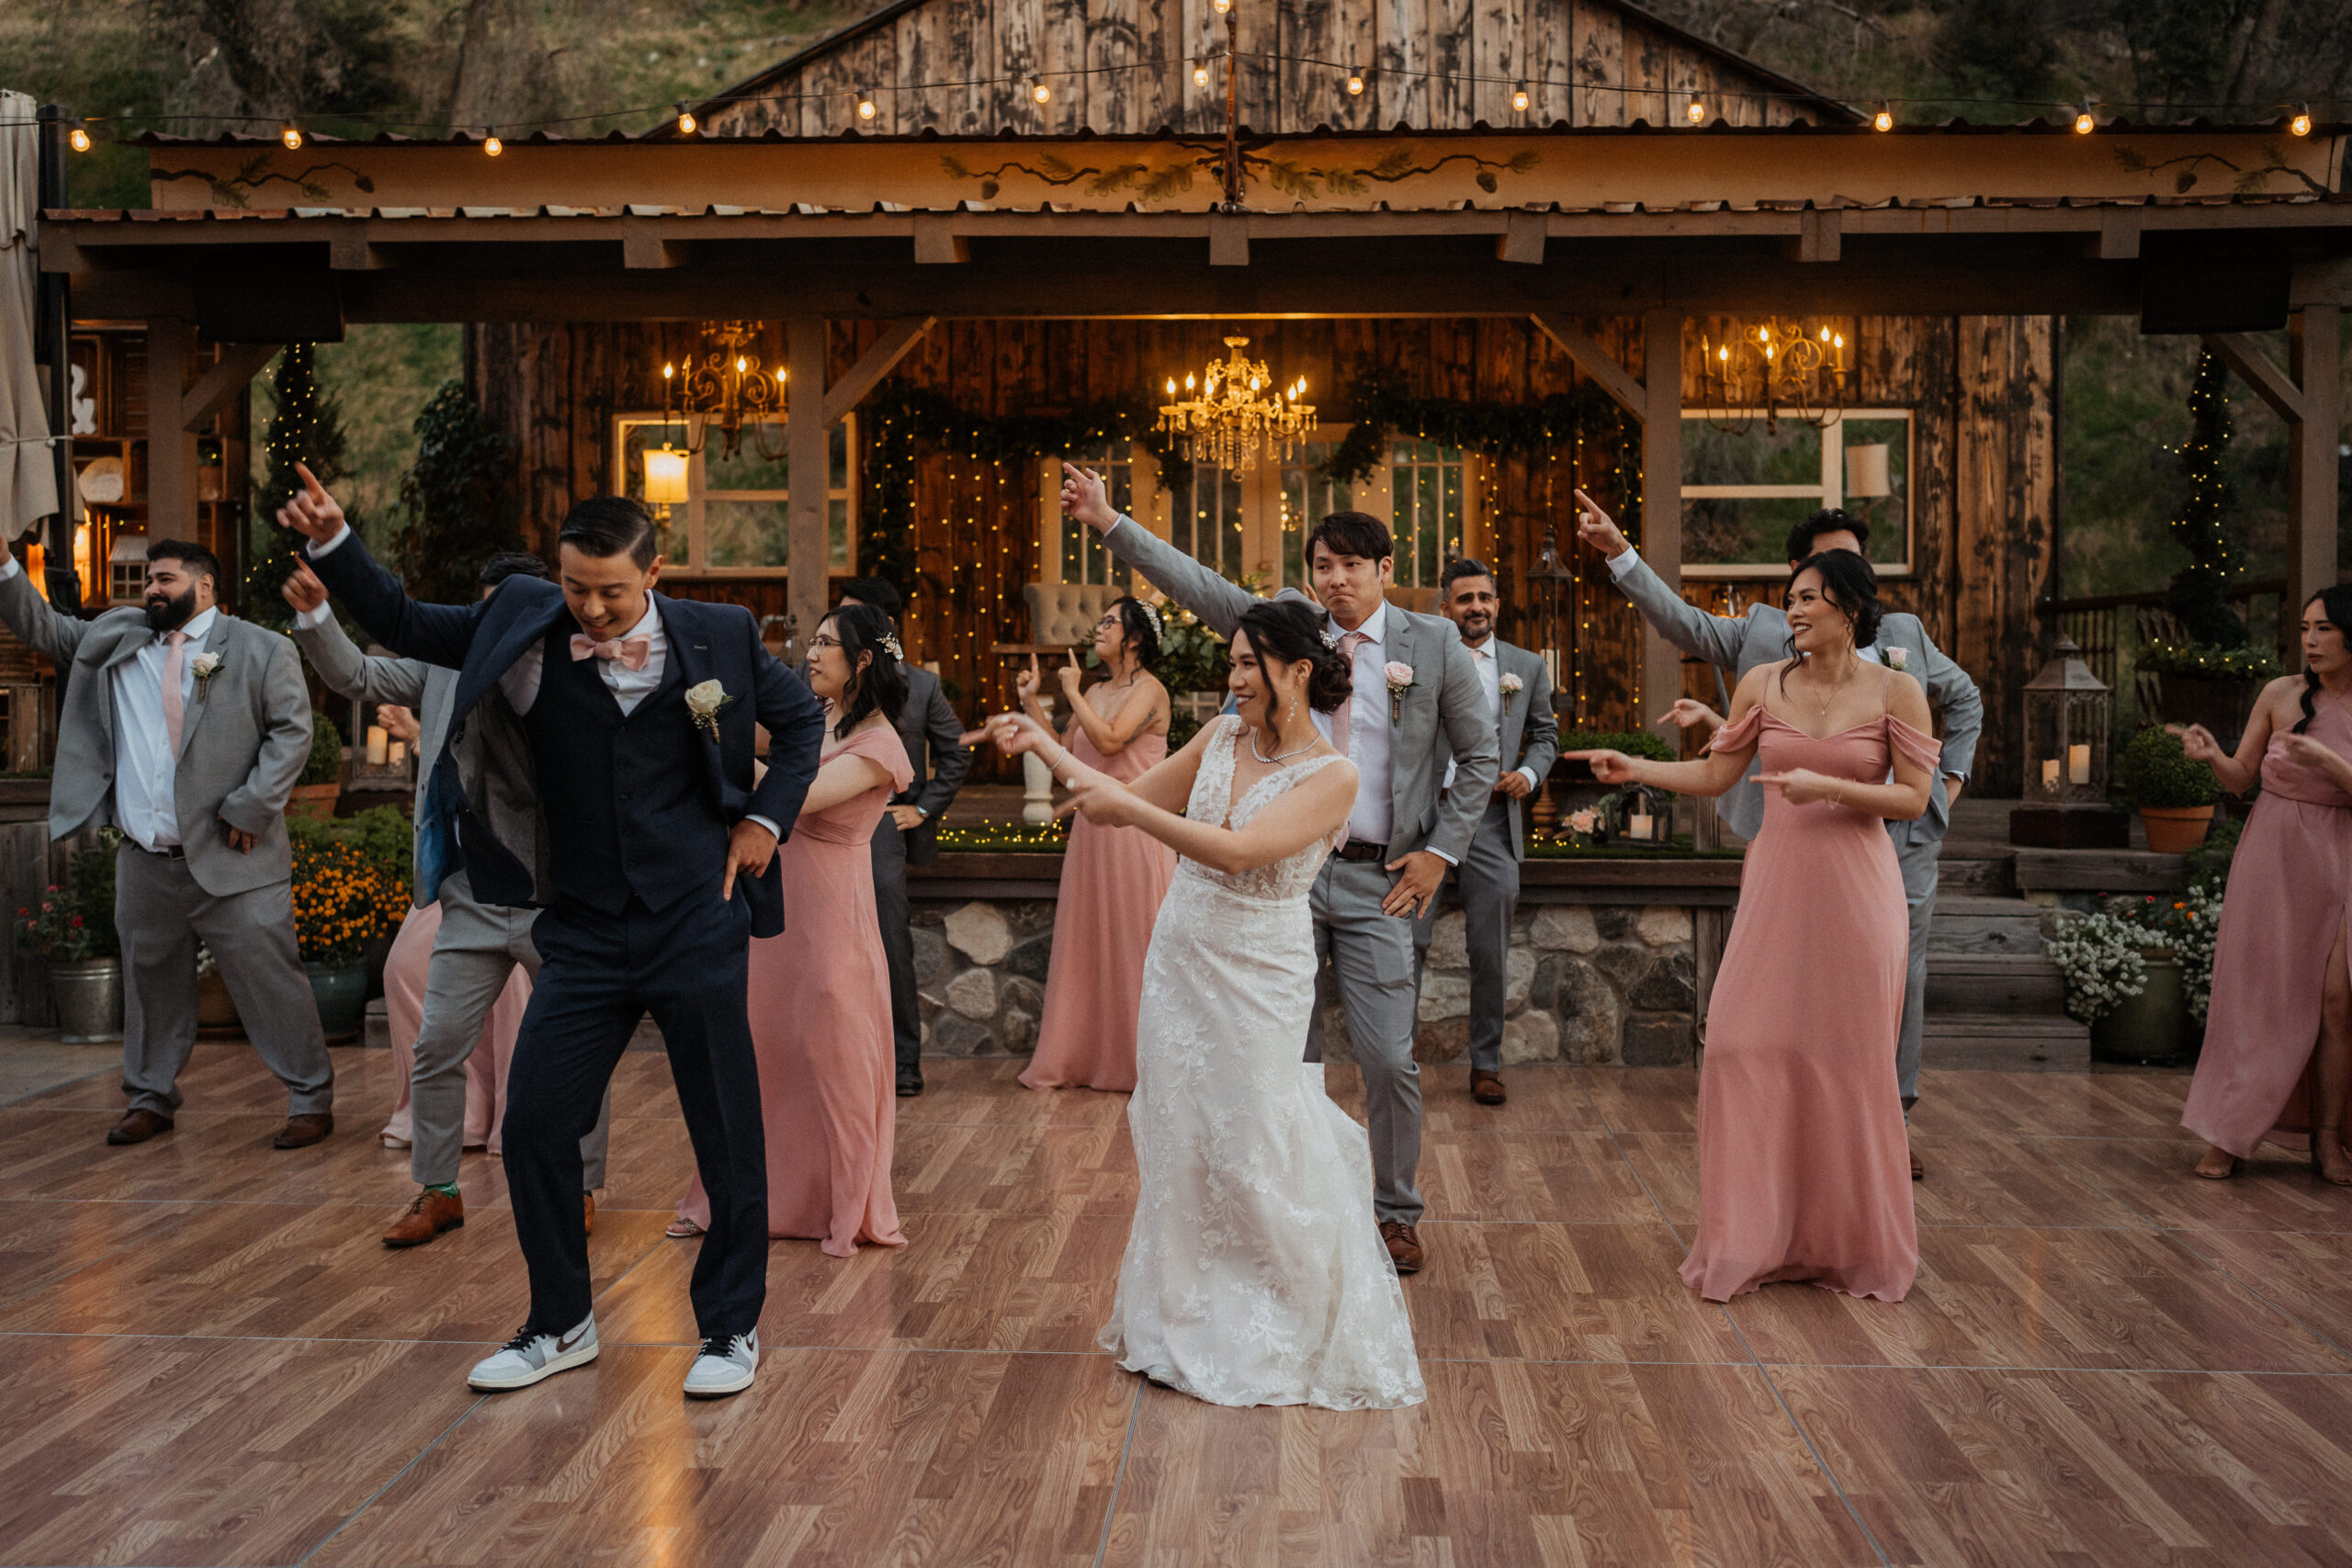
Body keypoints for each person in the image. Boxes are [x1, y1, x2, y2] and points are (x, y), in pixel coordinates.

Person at [277, 468, 823, 1400]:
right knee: (533, 1123)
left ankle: (730, 1329)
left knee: (725, 1130)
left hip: (694, 920)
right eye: (577, 588)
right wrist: (337, 543)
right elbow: (406, 624)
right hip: (580, 929)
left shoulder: (719, 635)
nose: (594, 609)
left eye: (612, 591)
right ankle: (559, 1323)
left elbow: (802, 719)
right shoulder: (524, 617)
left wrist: (763, 822)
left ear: (652, 573)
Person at [968, 599, 1424, 1408]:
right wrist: (1043, 739)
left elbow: (1243, 853)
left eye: (1250, 664)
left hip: (1259, 970)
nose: (1235, 678)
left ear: (1298, 671)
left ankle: (1279, 1311)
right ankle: (1183, 1307)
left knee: (1253, 1131)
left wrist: (1134, 810)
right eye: (1233, 663)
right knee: (1182, 1128)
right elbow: (1129, 788)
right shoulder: (1219, 736)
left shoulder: (1334, 776)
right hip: (1179, 959)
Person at [1069, 465, 1498, 1277]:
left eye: (1349, 566)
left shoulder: (1433, 643)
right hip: (1274, 886)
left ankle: (1395, 1210)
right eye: (1322, 567)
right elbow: (1192, 581)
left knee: (1388, 1056)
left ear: (1383, 568)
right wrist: (1107, 520)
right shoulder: (1287, 625)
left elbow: (1480, 755)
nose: (1333, 582)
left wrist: (1441, 852)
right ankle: (1279, 1209)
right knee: (1275, 1056)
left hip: (1378, 877)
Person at [1579, 495, 1979, 1179]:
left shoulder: (1904, 638)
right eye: (1821, 567)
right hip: (1790, 849)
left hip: (1894, 850)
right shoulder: (1763, 640)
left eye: (1854, 562)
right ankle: (1790, 1144)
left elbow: (1962, 701)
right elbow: (1684, 624)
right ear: (1797, 571)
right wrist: (1620, 552)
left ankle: (1888, 1122)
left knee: (1891, 990)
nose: (1836, 578)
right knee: (1773, 1003)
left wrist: (1949, 787)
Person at [284, 554, 611, 1247]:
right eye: (476, 612)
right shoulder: (441, 663)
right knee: (436, 1047)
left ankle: (579, 1186)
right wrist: (317, 613)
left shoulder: (577, 666)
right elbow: (358, 675)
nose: (481, 626)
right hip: (470, 893)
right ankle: (437, 1191)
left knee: (579, 1050)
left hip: (558, 900)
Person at [0, 536, 332, 1149]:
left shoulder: (264, 650)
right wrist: (5, 565)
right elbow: (41, 626)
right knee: (150, 987)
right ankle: (149, 1096)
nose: (151, 589)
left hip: (236, 856)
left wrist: (252, 806)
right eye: (148, 579)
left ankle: (310, 1096)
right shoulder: (115, 637)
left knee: (271, 980)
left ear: (205, 586)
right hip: (145, 859)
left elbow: (292, 733)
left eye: (165, 579)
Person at [673, 603, 913, 1252]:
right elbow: (761, 759)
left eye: (826, 643)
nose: (810, 652)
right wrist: (707, 718)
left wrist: (718, 734)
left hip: (835, 914)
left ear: (862, 661)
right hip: (779, 912)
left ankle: (842, 1202)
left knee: (836, 1055)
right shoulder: (816, 720)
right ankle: (734, 1196)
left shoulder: (881, 742)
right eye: (813, 640)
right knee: (762, 1051)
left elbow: (797, 795)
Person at [2179, 585, 2352, 1185]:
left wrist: (2328, 762)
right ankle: (2231, 1132)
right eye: (2305, 627)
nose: (2310, 639)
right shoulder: (2279, 693)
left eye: (2324, 628)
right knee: (2259, 995)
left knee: (2336, 1002)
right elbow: (2240, 778)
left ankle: (2328, 1141)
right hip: (2274, 856)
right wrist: (2211, 756)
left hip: (2342, 859)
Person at [1414, 558, 1558, 1106]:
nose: (1476, 606)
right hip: (1428, 817)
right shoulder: (1422, 657)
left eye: (1484, 597)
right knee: (1409, 941)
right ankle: (1397, 1060)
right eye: (1464, 598)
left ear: (1497, 604)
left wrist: (1528, 772)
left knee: (1490, 950)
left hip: (1493, 821)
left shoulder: (1525, 666)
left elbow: (1545, 734)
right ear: (1445, 607)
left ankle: (1486, 1063)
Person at [1017, 596, 1175, 1093]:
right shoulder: (1098, 689)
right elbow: (1064, 755)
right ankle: (1083, 1056)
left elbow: (1110, 742)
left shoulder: (1151, 690)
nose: (1098, 629)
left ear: (1133, 638)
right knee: (1088, 944)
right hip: (1090, 838)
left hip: (1135, 832)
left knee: (1136, 940)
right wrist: (1030, 702)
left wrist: (1072, 690)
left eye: (1109, 622)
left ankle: (1140, 1062)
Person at [833, 576, 969, 1099]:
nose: (834, 633)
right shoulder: (813, 676)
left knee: (890, 944)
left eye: (849, 620)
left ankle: (903, 1063)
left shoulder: (920, 686)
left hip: (881, 831)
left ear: (883, 626)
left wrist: (924, 806)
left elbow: (957, 752)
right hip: (822, 823)